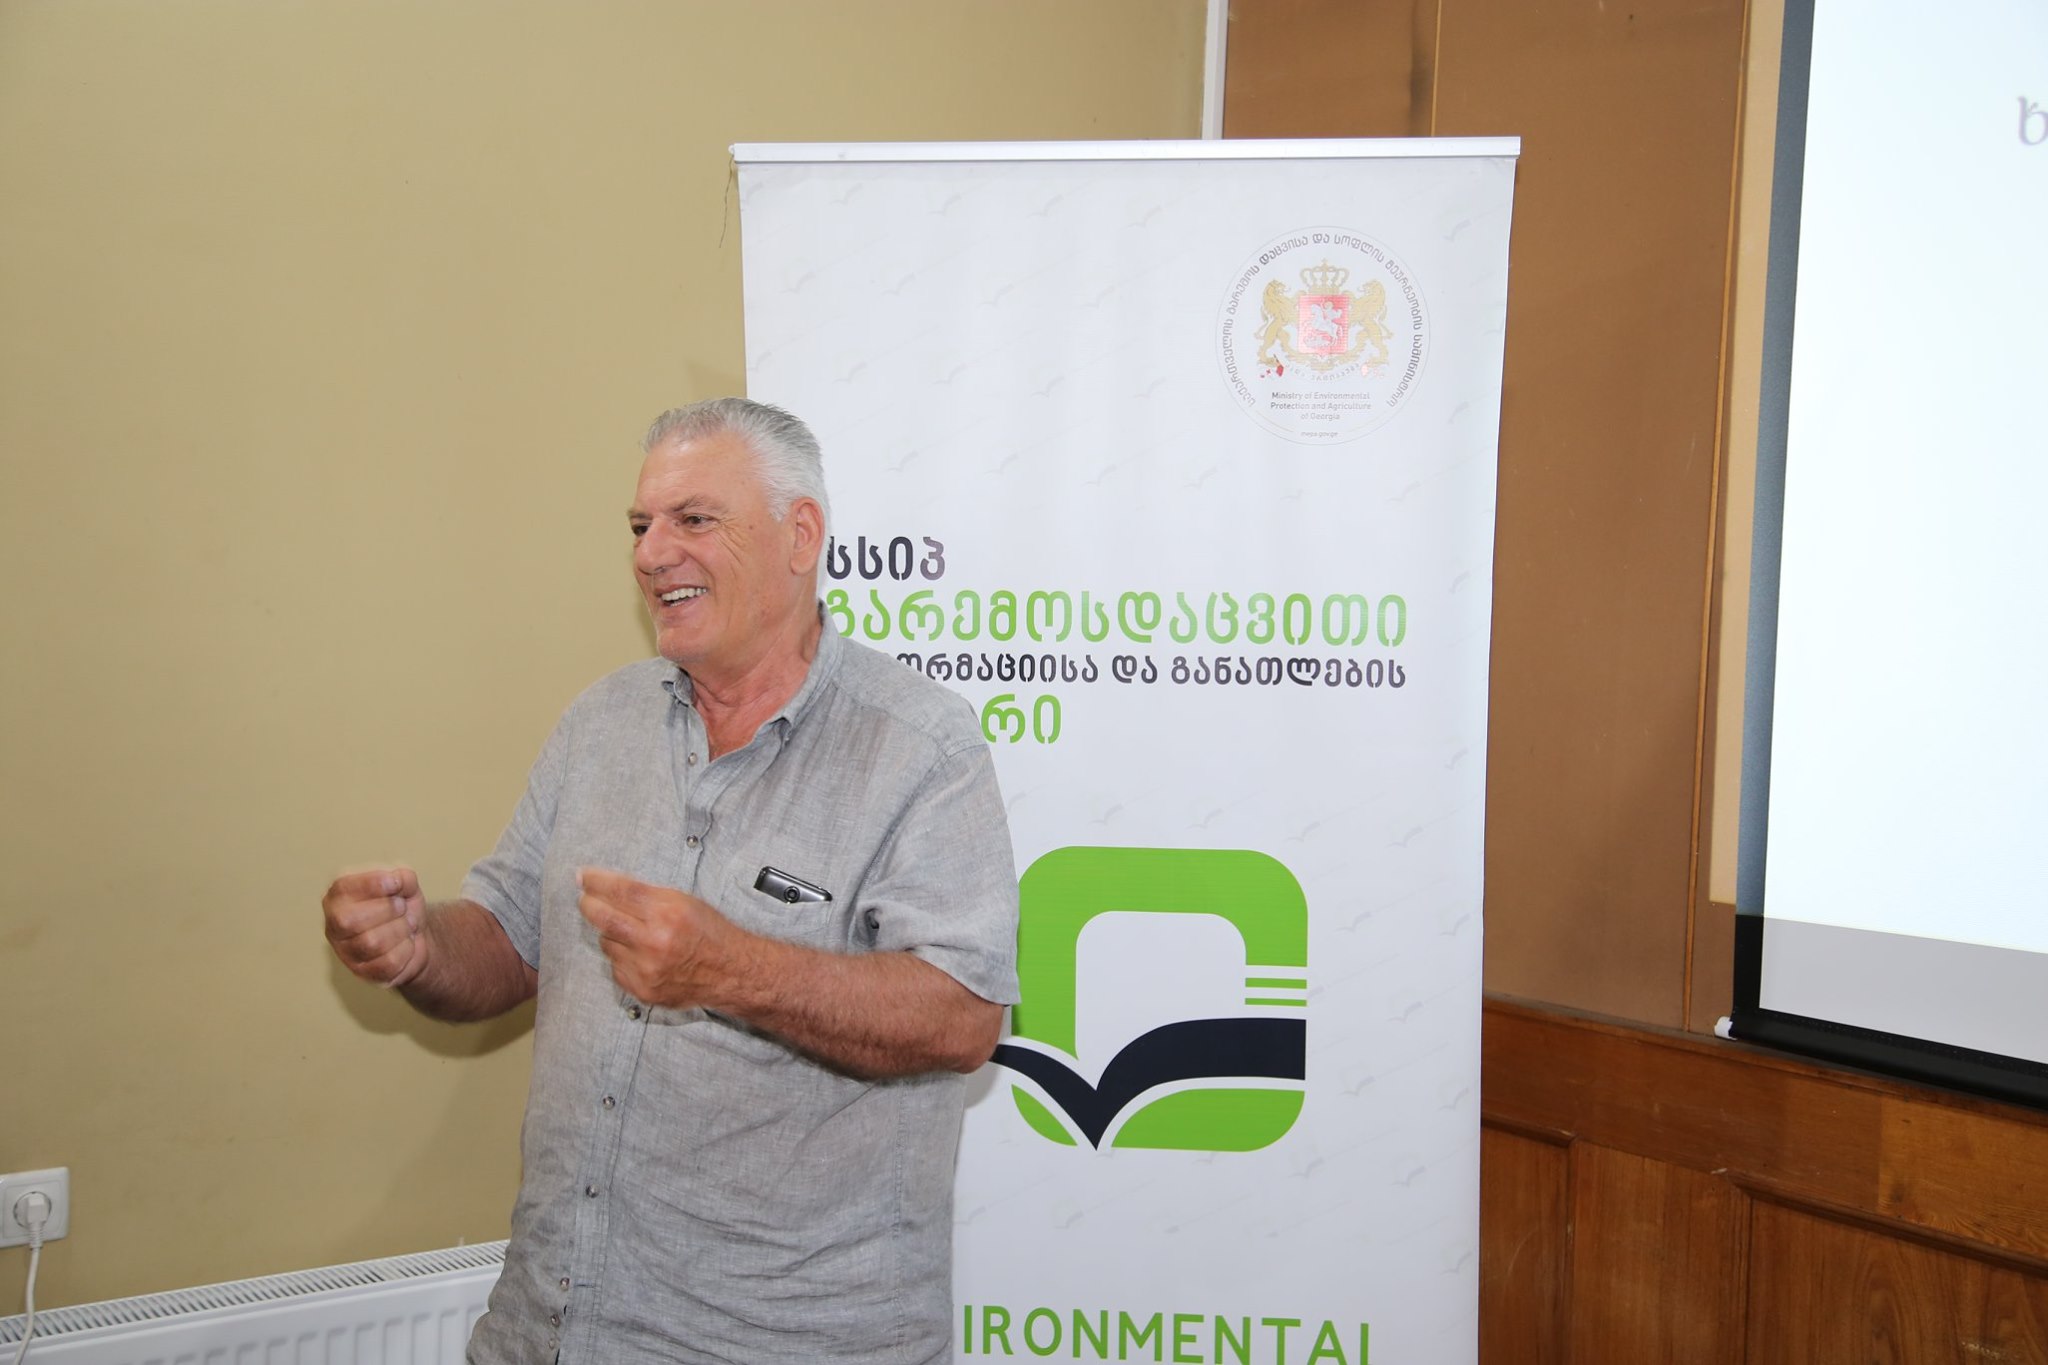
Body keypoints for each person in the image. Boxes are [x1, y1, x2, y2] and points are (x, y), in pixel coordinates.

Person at [321, 398, 1020, 1364]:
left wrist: (729, 969)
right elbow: (508, 942)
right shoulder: (599, 723)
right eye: (640, 525)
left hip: (781, 1342)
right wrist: (417, 946)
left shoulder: (920, 749)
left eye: (693, 519)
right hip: (548, 1326)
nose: (652, 553)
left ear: (800, 535)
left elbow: (963, 1017)